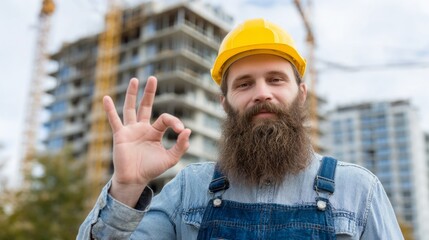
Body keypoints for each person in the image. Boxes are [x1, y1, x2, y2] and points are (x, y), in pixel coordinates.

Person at [78, 18, 403, 239]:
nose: (262, 92)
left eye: (276, 79)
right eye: (244, 84)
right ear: (225, 102)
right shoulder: (190, 189)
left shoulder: (359, 191)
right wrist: (126, 187)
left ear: (301, 95)